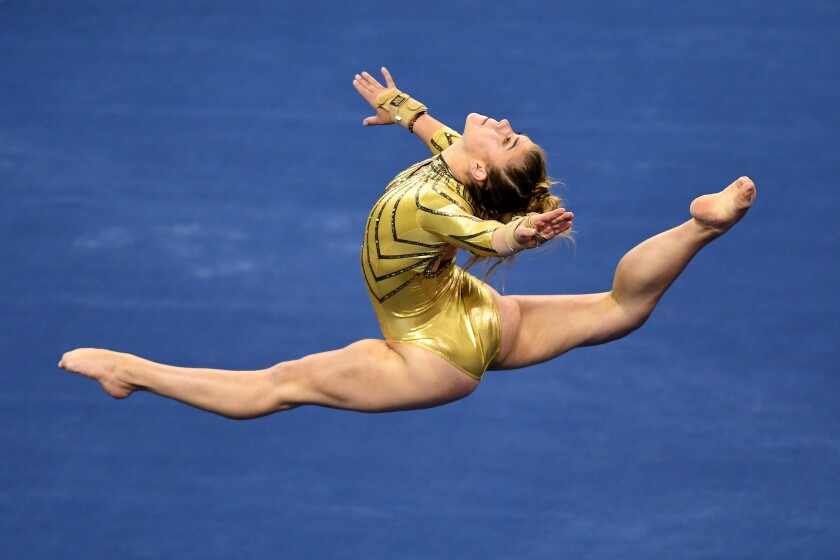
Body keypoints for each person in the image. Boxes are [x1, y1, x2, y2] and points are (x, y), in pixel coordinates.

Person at [58, 68, 756, 418]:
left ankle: (131, 371)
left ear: (481, 170)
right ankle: (702, 226)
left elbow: (484, 231)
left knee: (279, 385)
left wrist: (517, 234)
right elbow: (440, 137)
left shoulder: (435, 204)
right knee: (618, 309)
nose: (501, 122)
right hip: (473, 312)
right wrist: (402, 109)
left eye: (506, 138)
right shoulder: (463, 162)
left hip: (431, 357)